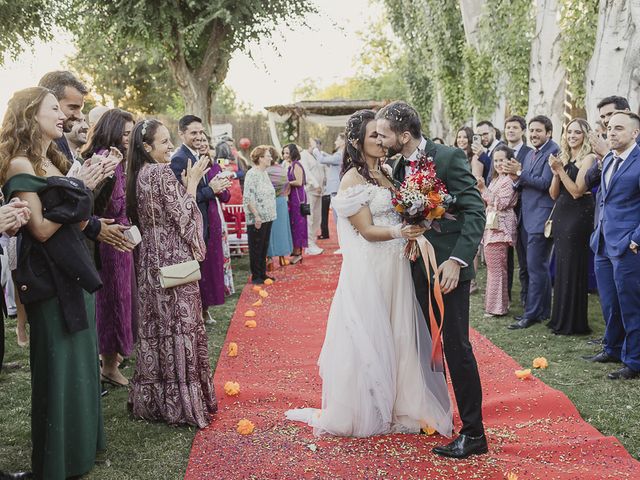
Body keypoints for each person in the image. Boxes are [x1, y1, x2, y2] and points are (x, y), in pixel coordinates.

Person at [285, 110, 452, 438]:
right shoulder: (352, 180)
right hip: (371, 268)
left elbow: (400, 210)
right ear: (356, 141)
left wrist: (418, 224)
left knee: (399, 334)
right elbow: (365, 230)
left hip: (397, 266)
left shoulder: (389, 172)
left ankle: (403, 405)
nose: (380, 139)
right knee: (373, 336)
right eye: (373, 134)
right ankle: (368, 407)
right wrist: (402, 233)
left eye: (382, 133)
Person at [0, 86, 105, 479]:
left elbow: (71, 215)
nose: (61, 115)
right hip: (47, 278)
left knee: (80, 363)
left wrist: (81, 189)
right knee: (58, 369)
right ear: (31, 115)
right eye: (52, 108)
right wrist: (79, 192)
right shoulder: (20, 165)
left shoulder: (55, 159)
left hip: (74, 269)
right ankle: (57, 459)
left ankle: (81, 450)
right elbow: (41, 229)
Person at [377, 101, 487, 459]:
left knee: (456, 347)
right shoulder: (395, 166)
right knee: (427, 347)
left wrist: (457, 260)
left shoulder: (449, 156)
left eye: (385, 134)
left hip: (447, 271)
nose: (380, 140)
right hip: (414, 267)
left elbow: (474, 210)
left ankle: (474, 433)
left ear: (404, 135)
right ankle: (440, 414)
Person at [126, 119, 217, 425]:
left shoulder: (137, 175)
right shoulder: (163, 173)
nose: (169, 147)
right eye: (164, 142)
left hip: (150, 260)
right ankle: (183, 403)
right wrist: (191, 183)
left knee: (157, 328)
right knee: (181, 326)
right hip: (174, 257)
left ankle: (155, 401)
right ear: (147, 147)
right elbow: (185, 217)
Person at [80, 108, 135, 387]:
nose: (129, 138)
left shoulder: (118, 158)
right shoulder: (103, 159)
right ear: (111, 131)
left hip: (121, 238)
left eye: (131, 133)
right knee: (111, 303)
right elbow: (92, 202)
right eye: (125, 133)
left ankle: (113, 359)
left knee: (121, 300)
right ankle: (109, 366)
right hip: (108, 240)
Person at [583, 111, 640, 380]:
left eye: (619, 128)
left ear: (634, 133)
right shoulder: (609, 160)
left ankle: (634, 361)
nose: (611, 133)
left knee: (631, 304)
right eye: (609, 128)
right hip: (603, 241)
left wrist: (636, 238)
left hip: (629, 244)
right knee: (609, 302)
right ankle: (613, 348)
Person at [504, 115, 559, 330]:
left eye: (539, 131)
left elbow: (545, 183)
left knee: (537, 267)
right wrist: (515, 179)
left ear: (549, 133)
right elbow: (525, 181)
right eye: (532, 131)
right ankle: (542, 310)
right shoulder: (530, 153)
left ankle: (532, 314)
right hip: (526, 216)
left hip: (541, 217)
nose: (534, 134)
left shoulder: (552, 151)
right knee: (534, 267)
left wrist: (519, 173)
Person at [546, 119, 596, 335]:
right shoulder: (564, 157)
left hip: (579, 215)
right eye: (569, 132)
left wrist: (561, 170)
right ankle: (559, 318)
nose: (572, 136)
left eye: (577, 132)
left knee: (574, 265)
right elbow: (553, 193)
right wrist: (556, 172)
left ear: (585, 135)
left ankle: (573, 321)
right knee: (562, 265)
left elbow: (577, 191)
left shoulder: (589, 158)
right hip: (562, 213)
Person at [194, 134, 232, 324]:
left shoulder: (215, 167)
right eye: (198, 141)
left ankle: (206, 307)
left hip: (214, 218)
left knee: (211, 264)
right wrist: (210, 188)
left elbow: (226, 197)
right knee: (201, 263)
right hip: (198, 216)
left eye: (205, 142)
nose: (201, 144)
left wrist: (220, 188)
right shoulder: (192, 166)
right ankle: (197, 308)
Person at [478, 146, 518, 317]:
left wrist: (483, 189)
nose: (499, 163)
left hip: (499, 230)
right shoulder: (497, 179)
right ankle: (498, 305)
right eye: (496, 160)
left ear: (511, 161)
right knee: (495, 269)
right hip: (492, 228)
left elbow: (501, 203)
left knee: (496, 270)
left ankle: (496, 308)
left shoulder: (508, 181)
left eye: (502, 160)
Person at [503, 115, 532, 307]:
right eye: (508, 127)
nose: (511, 130)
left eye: (515, 127)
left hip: (524, 210)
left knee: (524, 259)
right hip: (502, 213)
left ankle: (526, 297)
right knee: (503, 258)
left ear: (522, 130)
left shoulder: (529, 153)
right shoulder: (500, 151)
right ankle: (505, 295)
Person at [243, 146, 277, 284]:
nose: (270, 158)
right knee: (256, 247)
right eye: (268, 155)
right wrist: (256, 215)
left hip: (268, 216)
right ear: (260, 158)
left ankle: (263, 274)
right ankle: (256, 276)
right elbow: (248, 197)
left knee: (264, 246)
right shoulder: (252, 174)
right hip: (257, 218)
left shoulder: (264, 173)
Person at [266, 146, 293, 266]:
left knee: (269, 230)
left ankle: (270, 259)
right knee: (282, 229)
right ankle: (282, 257)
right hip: (281, 201)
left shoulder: (265, 171)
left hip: (268, 201)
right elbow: (287, 186)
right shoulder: (281, 169)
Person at [318, 133, 345, 240]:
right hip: (336, 188)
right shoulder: (340, 154)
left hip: (336, 189)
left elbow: (322, 160)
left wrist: (316, 151)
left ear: (343, 141)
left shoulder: (339, 155)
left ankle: (343, 243)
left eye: (337, 140)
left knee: (338, 218)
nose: (335, 142)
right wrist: (324, 153)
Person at [285, 143, 308, 264]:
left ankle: (298, 252)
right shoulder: (291, 165)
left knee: (298, 223)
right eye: (284, 153)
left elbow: (299, 182)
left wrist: (286, 182)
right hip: (292, 197)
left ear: (293, 153)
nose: (285, 155)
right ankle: (295, 249)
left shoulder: (297, 165)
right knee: (293, 223)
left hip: (298, 198)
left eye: (287, 153)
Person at [304, 139, 325, 255]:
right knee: (310, 218)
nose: (316, 147)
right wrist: (316, 184)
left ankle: (313, 242)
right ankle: (308, 245)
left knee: (317, 218)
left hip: (319, 191)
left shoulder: (317, 156)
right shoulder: (304, 155)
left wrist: (323, 185)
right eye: (314, 145)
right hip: (310, 190)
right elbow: (306, 172)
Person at [473, 120, 503, 184]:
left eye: (485, 134)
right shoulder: (487, 150)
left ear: (493, 132)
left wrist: (481, 155)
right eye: (479, 135)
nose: (483, 138)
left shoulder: (502, 147)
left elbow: (498, 169)